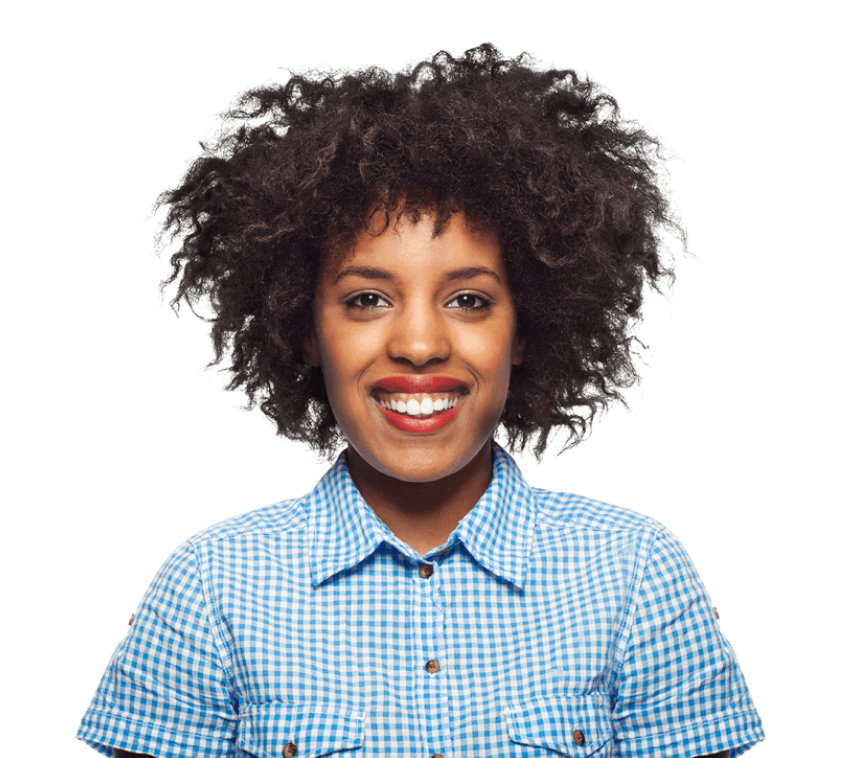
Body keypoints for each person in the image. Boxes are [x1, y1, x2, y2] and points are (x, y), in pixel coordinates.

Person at [75, 44, 765, 757]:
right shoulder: (210, 585)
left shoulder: (635, 572)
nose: (418, 344)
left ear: (527, 328)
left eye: (468, 299)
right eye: (366, 298)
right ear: (303, 327)